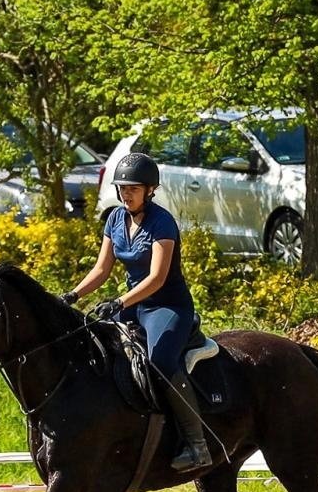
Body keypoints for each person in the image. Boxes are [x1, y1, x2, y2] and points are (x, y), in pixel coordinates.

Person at [61, 152, 212, 472]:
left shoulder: (163, 222)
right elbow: (102, 269)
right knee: (96, 348)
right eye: (122, 188)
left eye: (133, 188)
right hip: (133, 305)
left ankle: (197, 445)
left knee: (159, 363)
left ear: (150, 190)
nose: (125, 193)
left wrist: (119, 302)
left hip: (166, 306)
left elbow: (157, 277)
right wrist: (73, 295)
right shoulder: (115, 219)